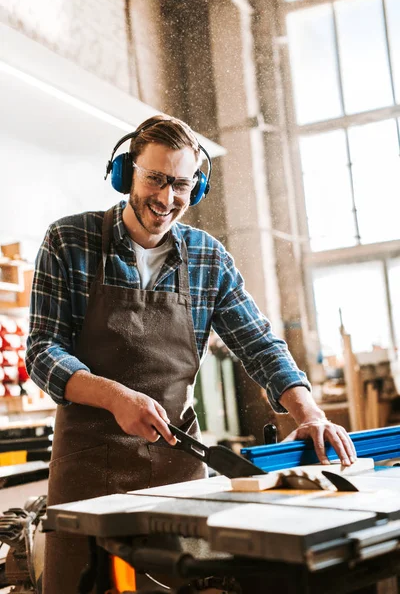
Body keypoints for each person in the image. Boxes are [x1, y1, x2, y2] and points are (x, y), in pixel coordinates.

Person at [26, 114, 356, 593]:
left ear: (196, 187)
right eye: (154, 178)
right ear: (126, 174)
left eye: (180, 184)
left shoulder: (208, 258)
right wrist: (115, 396)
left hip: (177, 471)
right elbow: (42, 351)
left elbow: (260, 344)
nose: (165, 198)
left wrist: (308, 412)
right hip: (87, 477)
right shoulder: (68, 242)